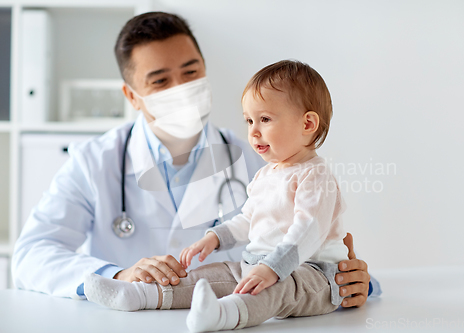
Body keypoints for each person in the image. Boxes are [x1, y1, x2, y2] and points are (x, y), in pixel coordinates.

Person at [12, 12, 377, 307]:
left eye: (191, 72)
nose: (183, 90)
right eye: (160, 81)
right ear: (132, 96)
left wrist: (358, 282)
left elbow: (311, 246)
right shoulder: (94, 161)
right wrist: (117, 274)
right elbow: (31, 256)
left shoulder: (262, 159)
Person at [84, 60, 368, 332]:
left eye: (265, 119)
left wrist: (273, 268)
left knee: (274, 290)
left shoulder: (315, 175)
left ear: (307, 125)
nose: (253, 132)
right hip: (258, 264)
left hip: (312, 275)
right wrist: (215, 238)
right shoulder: (267, 174)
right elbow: (247, 220)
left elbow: (306, 231)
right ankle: (138, 295)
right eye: (249, 120)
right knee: (213, 274)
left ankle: (223, 315)